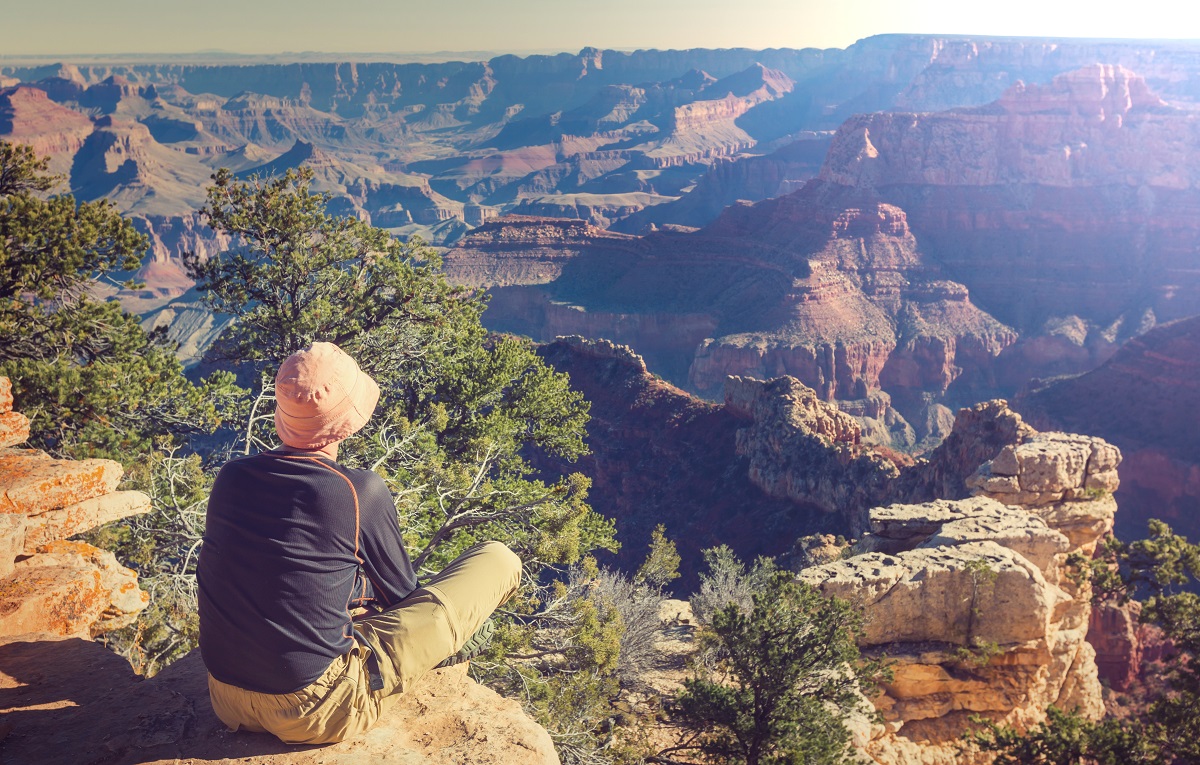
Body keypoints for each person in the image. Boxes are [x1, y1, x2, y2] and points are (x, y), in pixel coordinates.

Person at [197, 341, 522, 745]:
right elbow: (403, 597)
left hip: (226, 699)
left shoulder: (231, 475)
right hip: (316, 710)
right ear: (349, 419)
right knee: (499, 558)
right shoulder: (356, 490)